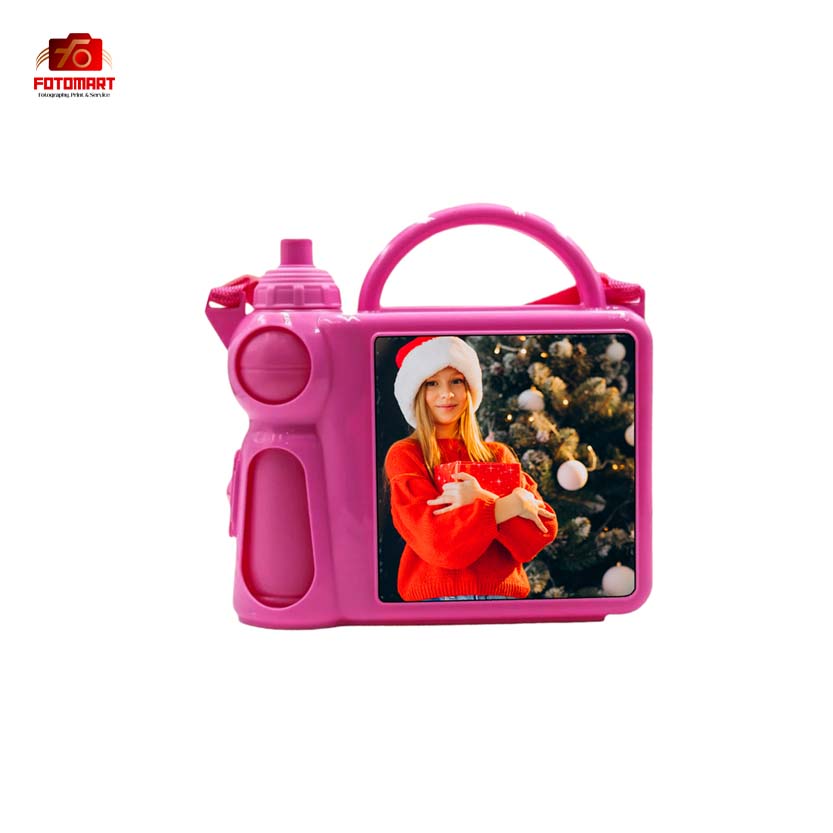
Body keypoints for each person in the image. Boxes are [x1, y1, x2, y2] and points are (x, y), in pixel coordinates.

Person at [384, 336, 557, 602]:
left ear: (470, 389)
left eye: (456, 381)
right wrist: (510, 504)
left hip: (503, 597)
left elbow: (541, 530)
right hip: (439, 599)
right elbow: (439, 544)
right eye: (432, 383)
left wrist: (479, 500)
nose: (447, 393)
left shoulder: (498, 455)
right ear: (417, 393)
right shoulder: (406, 455)